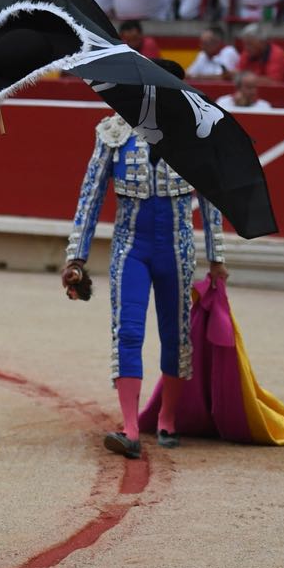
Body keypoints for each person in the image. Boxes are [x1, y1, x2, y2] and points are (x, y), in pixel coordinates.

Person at [61, 59, 226, 459]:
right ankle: (131, 428)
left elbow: (212, 198)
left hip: (177, 248)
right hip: (130, 248)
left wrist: (216, 257)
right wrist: (76, 256)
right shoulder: (114, 132)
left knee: (176, 335)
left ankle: (167, 418)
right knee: (128, 332)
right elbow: (90, 195)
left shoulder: (194, 133)